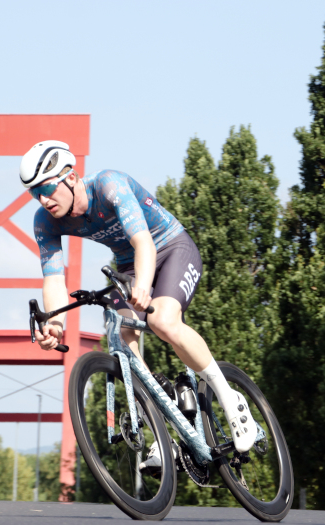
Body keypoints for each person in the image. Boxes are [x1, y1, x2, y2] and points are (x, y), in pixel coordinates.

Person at [20, 140, 256, 469]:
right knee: (120, 337)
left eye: (46, 187)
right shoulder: (44, 222)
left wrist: (144, 287)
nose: (43, 199)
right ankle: (165, 436)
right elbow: (54, 280)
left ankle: (231, 400)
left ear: (70, 177)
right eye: (34, 193)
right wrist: (55, 324)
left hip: (171, 247)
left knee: (162, 321)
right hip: (128, 267)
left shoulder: (109, 185)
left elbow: (142, 241)